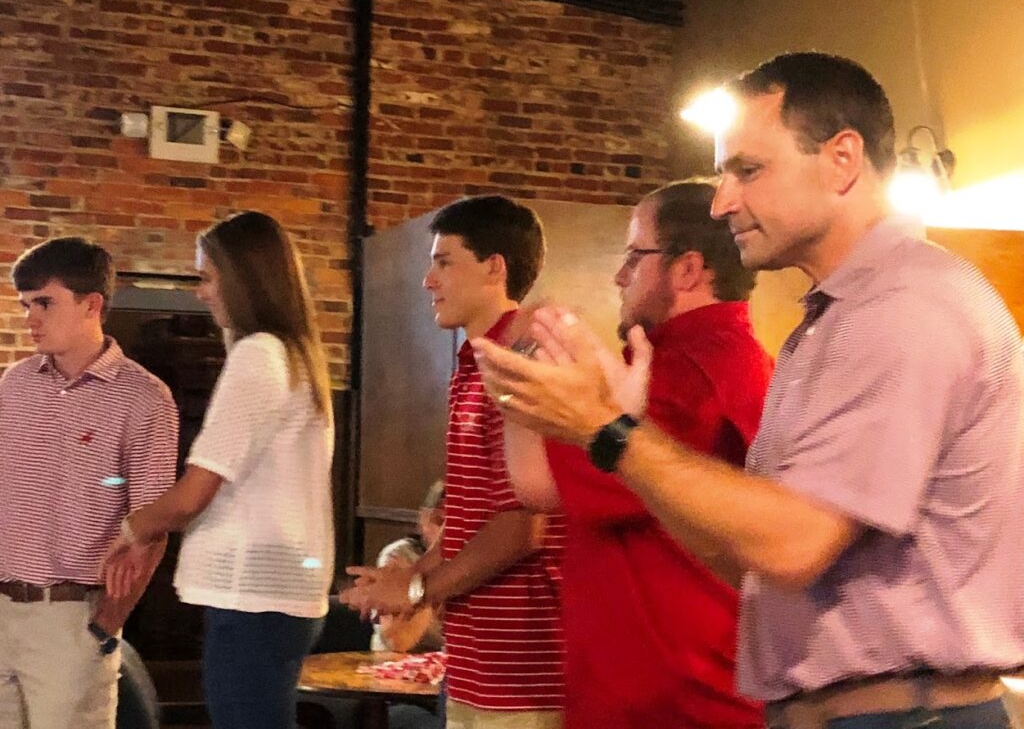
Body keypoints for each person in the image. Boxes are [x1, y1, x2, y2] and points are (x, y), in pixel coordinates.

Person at [473, 52, 1024, 729]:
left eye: (747, 170)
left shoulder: (903, 306)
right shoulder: (836, 320)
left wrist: (608, 431)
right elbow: (755, 565)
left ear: (842, 158)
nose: (721, 201)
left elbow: (795, 544)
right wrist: (614, 429)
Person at [502, 181, 770, 728]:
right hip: (666, 688)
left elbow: (537, 483)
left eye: (633, 257)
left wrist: (523, 362)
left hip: (675, 698)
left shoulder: (684, 372)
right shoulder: (711, 357)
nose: (619, 277)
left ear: (688, 269)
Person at [103, 211, 335, 729]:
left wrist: (126, 530)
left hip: (251, 592)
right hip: (282, 593)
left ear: (243, 278)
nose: (201, 293)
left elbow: (193, 494)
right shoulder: (296, 356)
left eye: (207, 277)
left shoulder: (258, 355)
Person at [341, 195, 566, 729]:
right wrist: (410, 576)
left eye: (444, 262)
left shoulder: (524, 361)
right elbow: (470, 514)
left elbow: (521, 526)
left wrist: (417, 590)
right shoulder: (473, 364)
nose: (427, 280)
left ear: (494, 268)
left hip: (523, 666)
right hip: (473, 660)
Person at [0, 236, 178, 729]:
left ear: (92, 304)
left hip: (71, 616)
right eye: (25, 305)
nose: (30, 317)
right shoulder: (12, 386)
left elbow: (154, 524)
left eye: (44, 303)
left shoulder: (144, 398)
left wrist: (104, 627)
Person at [371, 479, 445, 655]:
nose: (444, 532)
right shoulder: (400, 555)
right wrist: (421, 583)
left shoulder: (477, 564)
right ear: (423, 521)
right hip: (395, 667)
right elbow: (397, 641)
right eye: (439, 520)